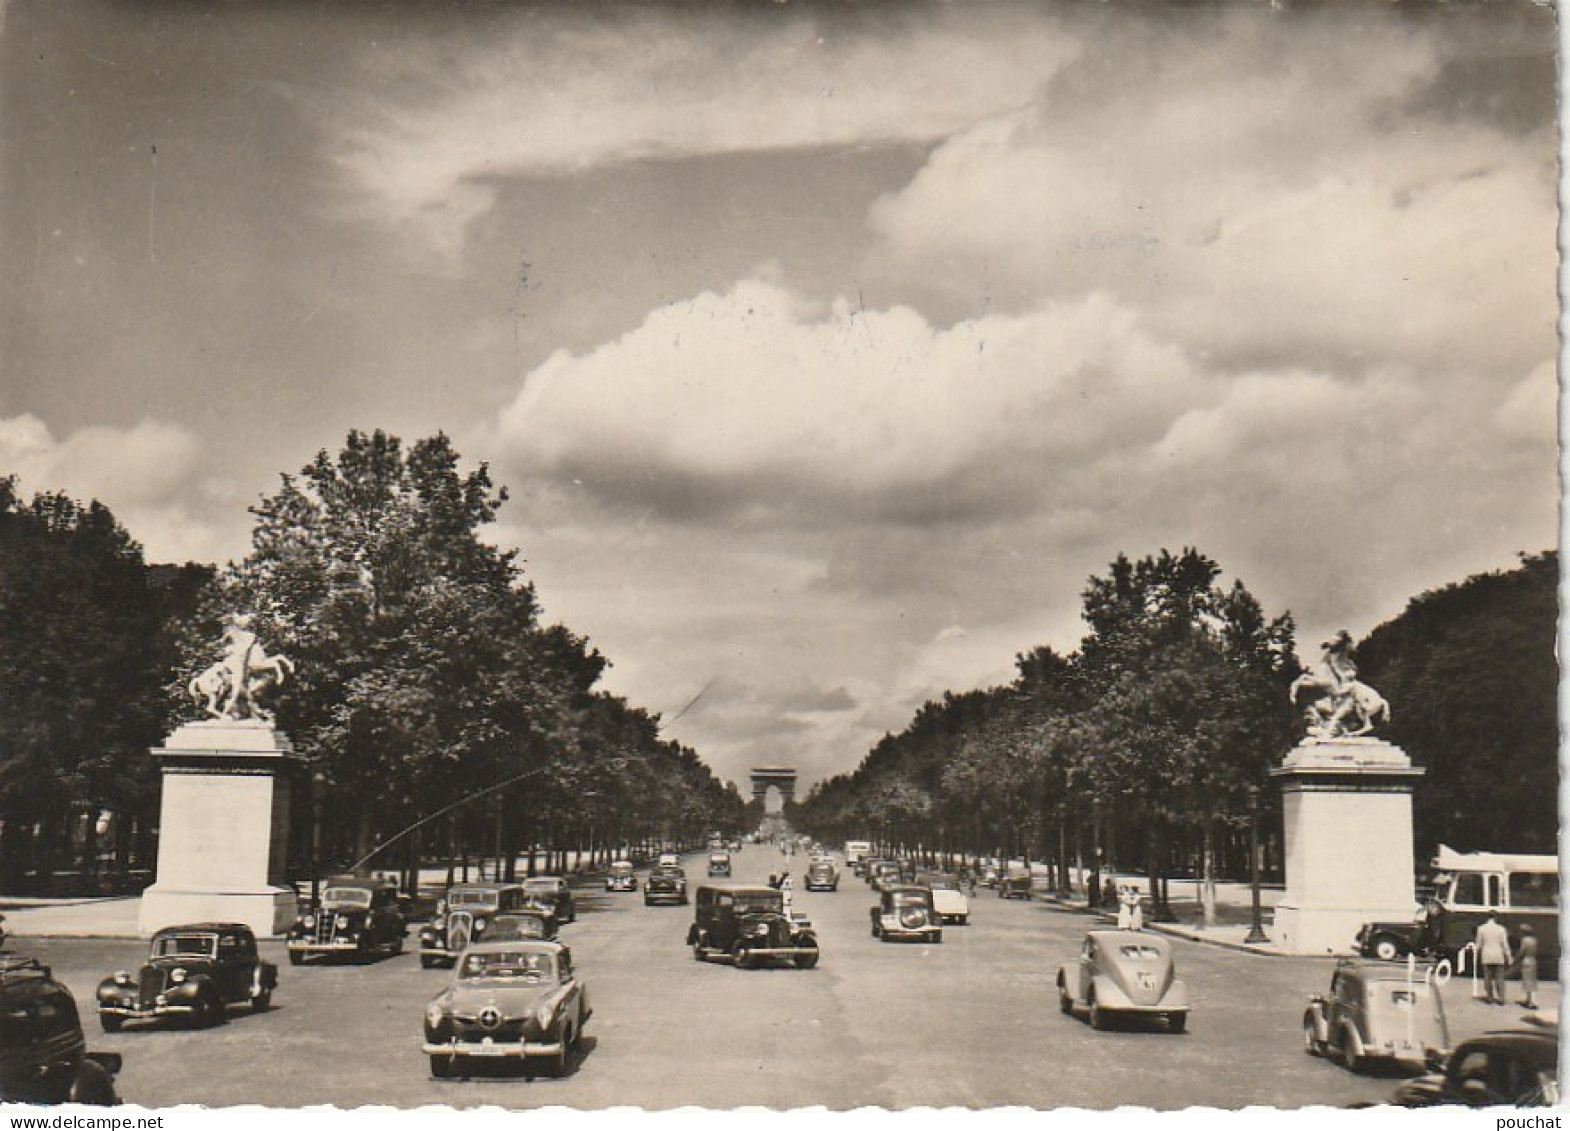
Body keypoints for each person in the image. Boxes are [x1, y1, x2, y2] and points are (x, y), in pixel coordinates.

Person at [1475, 910, 1512, 1004]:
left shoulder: (1481, 929)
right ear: (1496, 917)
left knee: (1487, 978)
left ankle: (1489, 997)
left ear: (1487, 917)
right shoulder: (1501, 929)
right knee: (1500, 978)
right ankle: (1501, 998)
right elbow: (1505, 944)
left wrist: (1476, 955)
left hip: (1486, 955)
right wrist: (1509, 956)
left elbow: (1478, 944)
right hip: (1498, 955)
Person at [1514, 923, 1540, 1009]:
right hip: (1533, 960)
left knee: (1527, 981)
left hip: (1526, 960)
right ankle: (1529, 999)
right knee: (1532, 980)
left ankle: (1531, 1001)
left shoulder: (1525, 940)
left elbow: (1522, 952)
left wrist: (1515, 959)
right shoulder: (1534, 940)